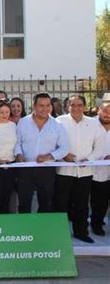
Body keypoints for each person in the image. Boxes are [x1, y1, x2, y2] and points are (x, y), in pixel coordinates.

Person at [55, 95, 105, 243]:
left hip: (85, 171)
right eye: (72, 105)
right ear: (67, 106)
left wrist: (88, 160)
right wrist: (63, 155)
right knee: (61, 204)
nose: (76, 108)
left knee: (82, 204)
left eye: (79, 105)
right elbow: (53, 142)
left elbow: (100, 146)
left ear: (84, 106)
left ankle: (81, 232)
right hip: (64, 170)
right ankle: (59, 234)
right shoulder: (59, 122)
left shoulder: (93, 124)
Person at [14, 93, 69, 213]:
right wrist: (19, 155)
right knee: (24, 202)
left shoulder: (58, 125)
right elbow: (17, 143)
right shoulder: (23, 122)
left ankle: (41, 230)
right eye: (41, 105)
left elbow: (64, 148)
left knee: (45, 203)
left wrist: (49, 157)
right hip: (25, 168)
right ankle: (25, 229)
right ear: (34, 106)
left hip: (47, 169)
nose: (45, 109)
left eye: (47, 105)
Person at [91, 101, 110, 237]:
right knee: (99, 201)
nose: (108, 114)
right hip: (95, 170)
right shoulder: (90, 124)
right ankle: (96, 225)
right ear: (98, 111)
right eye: (105, 111)